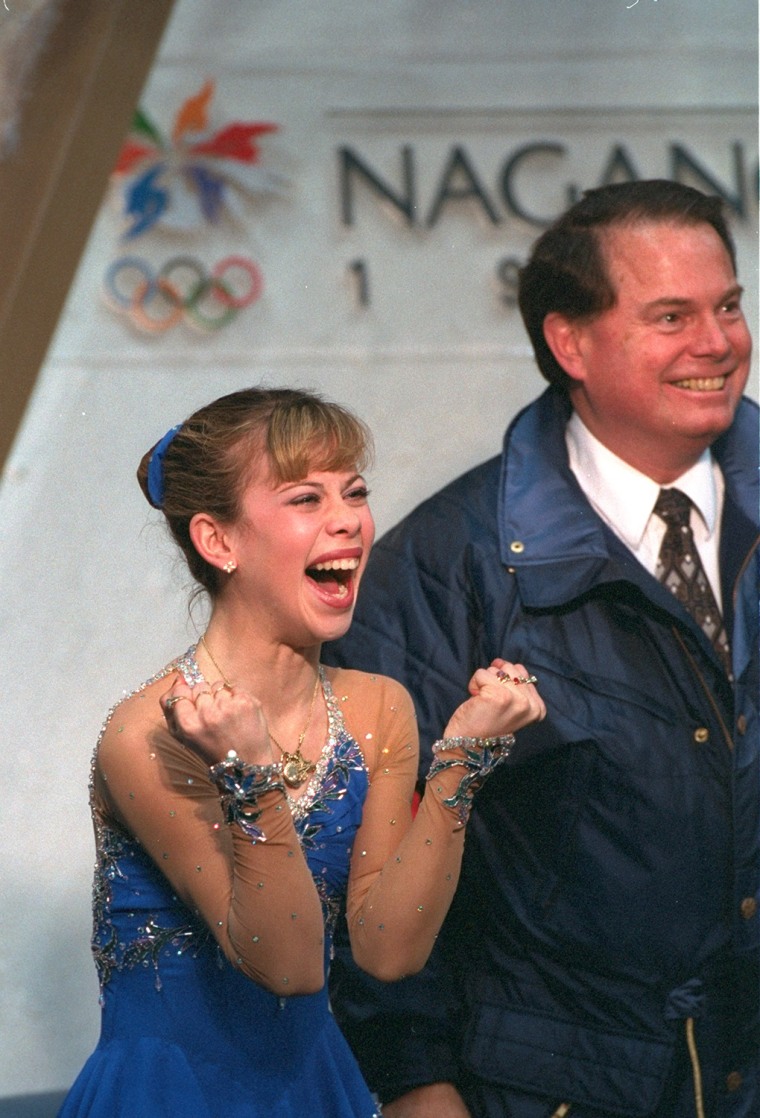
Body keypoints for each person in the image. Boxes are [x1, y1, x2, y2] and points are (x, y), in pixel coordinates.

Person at [324, 180, 759, 1118]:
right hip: (562, 1087)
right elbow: (366, 861)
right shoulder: (446, 565)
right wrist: (414, 1082)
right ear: (571, 343)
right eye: (671, 316)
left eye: (728, 305)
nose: (718, 343)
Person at [58, 386, 545, 1118]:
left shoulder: (377, 706)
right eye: (306, 499)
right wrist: (250, 777)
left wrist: (461, 762)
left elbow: (388, 952)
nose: (348, 519)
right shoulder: (149, 734)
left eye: (354, 492)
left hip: (318, 1089)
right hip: (171, 1098)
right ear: (218, 541)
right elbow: (283, 965)